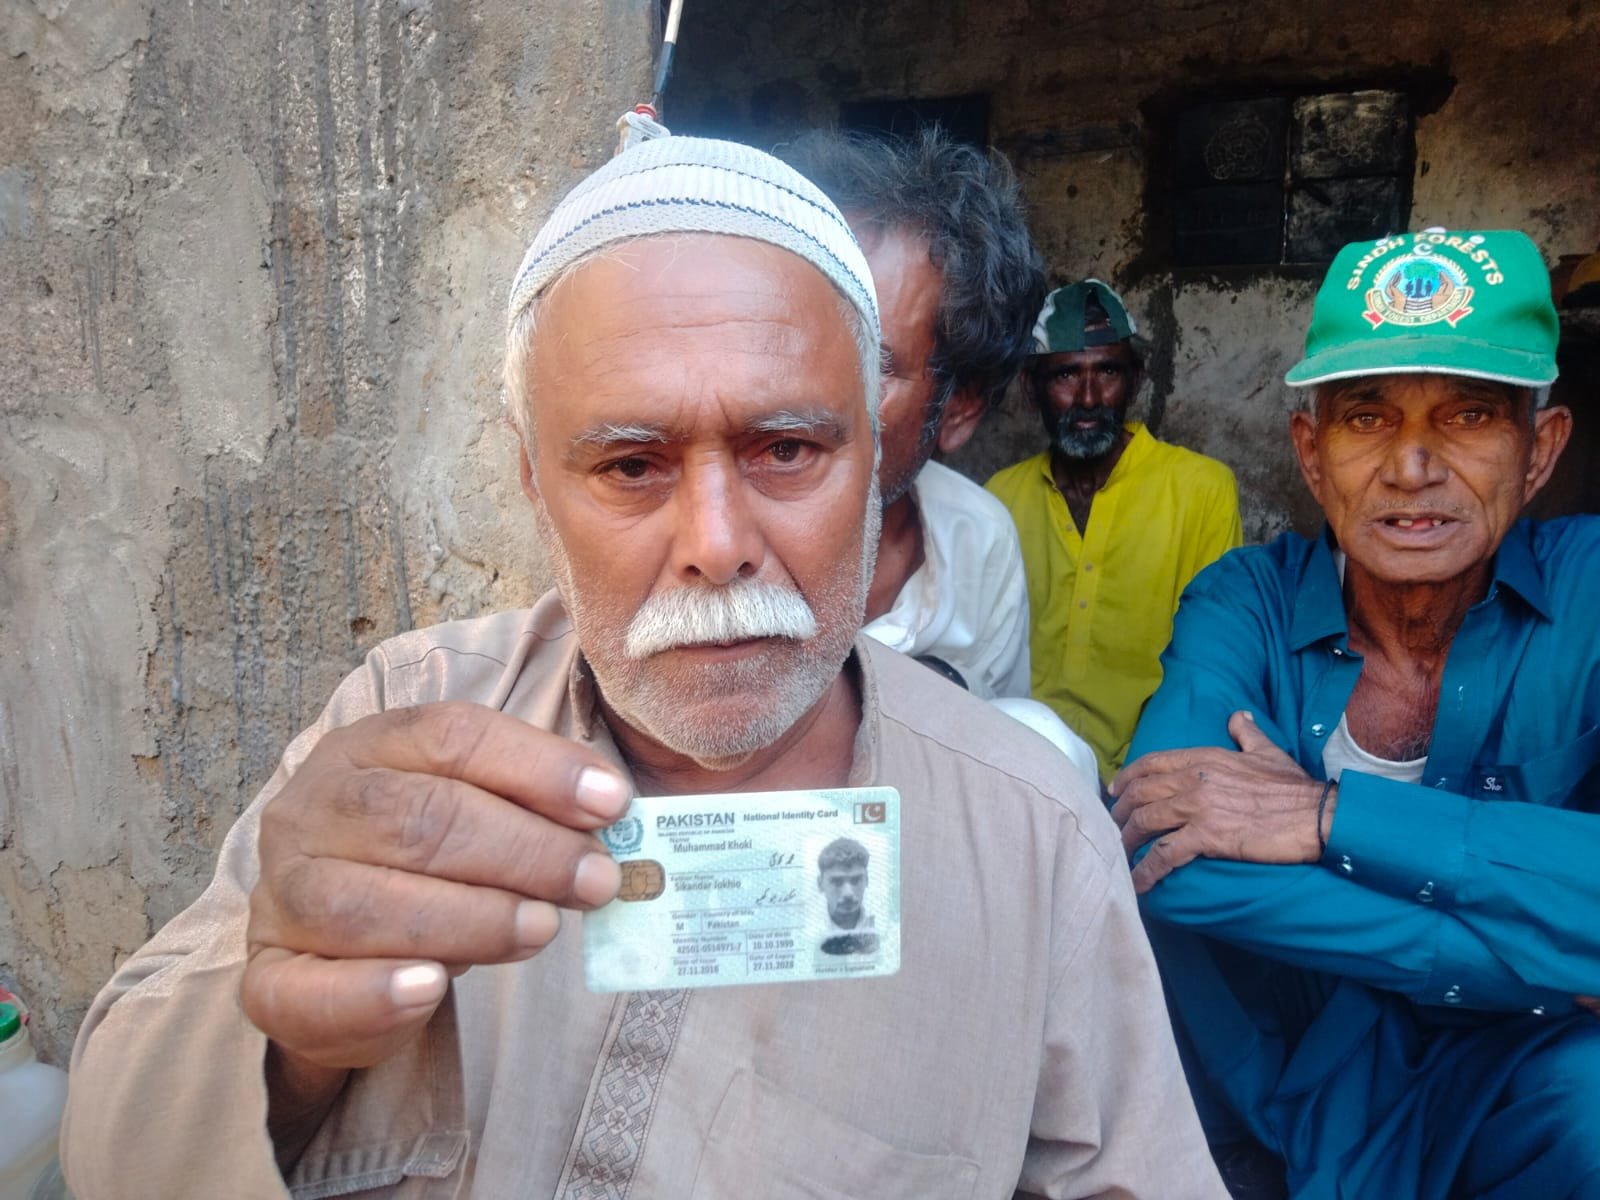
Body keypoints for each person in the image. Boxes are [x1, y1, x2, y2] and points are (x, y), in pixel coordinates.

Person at [60, 134, 1223, 1199]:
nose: (717, 544)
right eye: (629, 466)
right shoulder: (411, 714)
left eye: (785, 450)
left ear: (878, 456)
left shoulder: (1030, 838)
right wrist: (299, 1048)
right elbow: (114, 1153)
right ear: (532, 484)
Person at [1111, 228, 1600, 1199]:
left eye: (1467, 413)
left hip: (1518, 1083)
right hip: (1283, 1087)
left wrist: (1327, 818)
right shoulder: (1241, 602)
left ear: (1537, 453)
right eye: (1366, 417)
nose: (1412, 466)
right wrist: (1539, 964)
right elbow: (1157, 849)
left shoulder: (1589, 589)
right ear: (1310, 451)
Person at [780, 130, 1042, 702]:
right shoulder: (707, 542)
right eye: (786, 343)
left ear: (960, 405)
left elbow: (991, 751)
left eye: (870, 362)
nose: (797, 396)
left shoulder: (978, 542)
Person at [987, 281, 1242, 784]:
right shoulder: (999, 499)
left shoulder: (1201, 489)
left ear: (1137, 379)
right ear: (1030, 385)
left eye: (1107, 371)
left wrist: (1139, 780)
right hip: (1019, 772)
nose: (1087, 397)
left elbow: (1208, 665)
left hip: (1149, 774)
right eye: (1065, 374)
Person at [816, 837, 878, 956]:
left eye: (856, 880)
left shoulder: (888, 928)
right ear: (820, 884)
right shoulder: (807, 931)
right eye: (837, 882)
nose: (848, 893)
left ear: (867, 880)